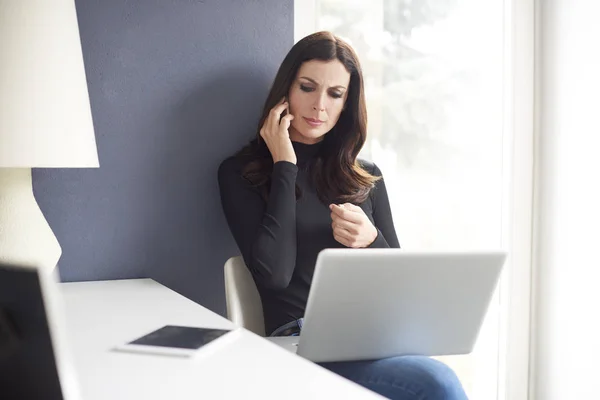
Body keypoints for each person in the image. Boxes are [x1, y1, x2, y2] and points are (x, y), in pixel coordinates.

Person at [218, 31, 468, 399]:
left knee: (432, 375)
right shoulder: (243, 173)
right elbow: (274, 276)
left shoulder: (366, 176)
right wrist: (284, 163)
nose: (320, 105)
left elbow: (400, 287)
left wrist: (372, 240)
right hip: (298, 341)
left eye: (335, 94)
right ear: (285, 90)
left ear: (346, 103)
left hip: (372, 337)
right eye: (307, 87)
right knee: (436, 383)